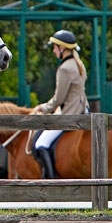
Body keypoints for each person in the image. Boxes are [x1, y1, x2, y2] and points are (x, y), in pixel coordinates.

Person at [32, 29, 90, 178]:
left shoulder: (64, 69)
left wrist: (43, 108)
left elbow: (59, 99)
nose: (53, 50)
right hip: (84, 111)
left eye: (55, 47)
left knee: (40, 144)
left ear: (62, 48)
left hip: (69, 115)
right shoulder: (78, 64)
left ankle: (51, 181)